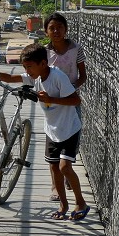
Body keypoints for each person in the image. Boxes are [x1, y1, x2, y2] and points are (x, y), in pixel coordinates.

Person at [0, 43, 91, 221]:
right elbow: (11, 78)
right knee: (55, 168)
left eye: (29, 67)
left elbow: (75, 100)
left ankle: (80, 202)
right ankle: (63, 204)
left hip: (69, 128)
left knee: (65, 167)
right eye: (25, 67)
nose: (27, 70)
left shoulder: (58, 77)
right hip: (52, 130)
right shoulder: (36, 77)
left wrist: (51, 99)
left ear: (43, 63)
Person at [43, 12, 87, 201]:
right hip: (51, 101)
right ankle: (55, 186)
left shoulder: (76, 49)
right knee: (53, 139)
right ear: (46, 31)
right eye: (52, 28)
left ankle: (67, 172)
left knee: (71, 138)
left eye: (59, 27)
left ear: (66, 29)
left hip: (71, 99)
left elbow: (83, 74)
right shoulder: (45, 52)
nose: (56, 31)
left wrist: (72, 88)